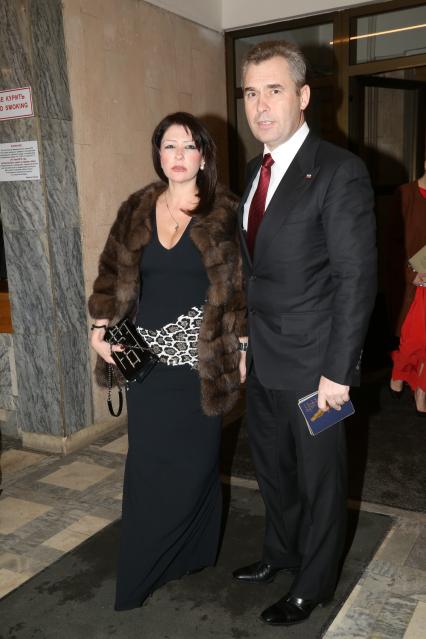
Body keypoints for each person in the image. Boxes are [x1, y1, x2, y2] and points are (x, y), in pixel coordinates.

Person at [233, 40, 377, 626]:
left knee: (321, 481)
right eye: (251, 93)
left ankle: (312, 585)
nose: (260, 105)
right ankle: (281, 552)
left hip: (318, 367)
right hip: (265, 359)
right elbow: (254, 270)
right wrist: (245, 342)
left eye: (274, 90)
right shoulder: (254, 171)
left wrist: (339, 372)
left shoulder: (339, 170)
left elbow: (355, 278)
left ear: (303, 96)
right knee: (274, 470)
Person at [88, 112, 246, 610]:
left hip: (200, 365)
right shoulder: (136, 208)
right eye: (169, 146)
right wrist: (99, 328)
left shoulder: (226, 212)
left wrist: (243, 347)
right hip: (147, 365)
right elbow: (111, 273)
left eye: (188, 146)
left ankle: (192, 552)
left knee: (198, 466)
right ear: (158, 153)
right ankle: (143, 569)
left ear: (204, 155)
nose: (178, 156)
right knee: (148, 467)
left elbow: (241, 290)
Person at [387, 159, 426, 414]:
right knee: (415, 339)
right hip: (415, 281)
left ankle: (422, 391)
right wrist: (412, 272)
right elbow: (392, 242)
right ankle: (400, 369)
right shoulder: (405, 194)